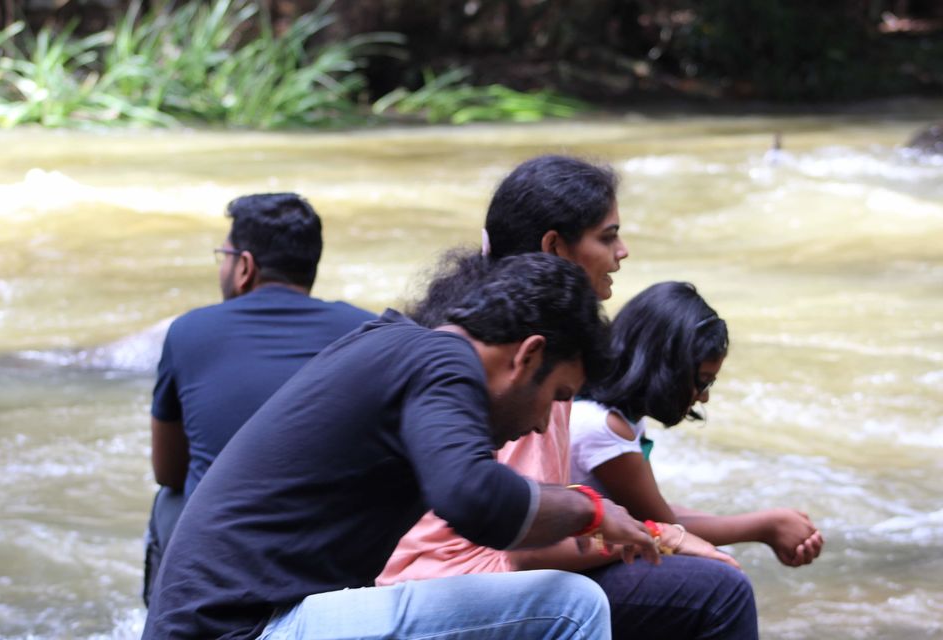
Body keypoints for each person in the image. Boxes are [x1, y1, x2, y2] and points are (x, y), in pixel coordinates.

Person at [143, 252, 664, 640]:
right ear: (527, 357)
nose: (538, 424)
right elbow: (475, 500)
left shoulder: (402, 346)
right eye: (557, 397)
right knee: (572, 607)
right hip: (240, 628)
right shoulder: (443, 363)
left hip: (232, 618)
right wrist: (591, 510)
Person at [380, 154, 758, 640]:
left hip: (429, 582)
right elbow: (523, 542)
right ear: (554, 247)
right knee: (717, 589)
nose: (622, 252)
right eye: (607, 236)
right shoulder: (524, 354)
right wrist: (663, 537)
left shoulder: (475, 324)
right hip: (463, 589)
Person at [144, 193, 376, 605]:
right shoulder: (370, 333)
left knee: (168, 500)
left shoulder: (189, 332)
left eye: (224, 255)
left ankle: (164, 620)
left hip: (218, 571)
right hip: (331, 560)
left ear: (245, 266)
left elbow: (168, 472)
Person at [570, 280, 825, 567]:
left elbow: (659, 514)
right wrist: (766, 526)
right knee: (716, 573)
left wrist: (773, 522)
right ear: (664, 368)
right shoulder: (603, 427)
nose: (703, 397)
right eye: (701, 381)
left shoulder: (614, 414)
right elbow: (667, 527)